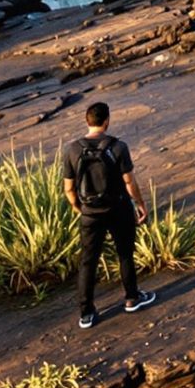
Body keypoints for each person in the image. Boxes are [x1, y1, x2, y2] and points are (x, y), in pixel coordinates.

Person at [59, 101, 156, 329]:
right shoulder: (119, 147)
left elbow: (68, 188)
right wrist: (140, 204)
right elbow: (129, 182)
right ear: (107, 121)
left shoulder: (72, 149)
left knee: (88, 262)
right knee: (125, 254)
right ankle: (132, 298)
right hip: (119, 209)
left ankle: (86, 313)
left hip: (90, 213)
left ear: (87, 121)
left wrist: (78, 209)